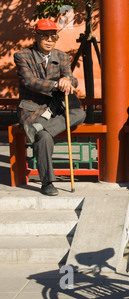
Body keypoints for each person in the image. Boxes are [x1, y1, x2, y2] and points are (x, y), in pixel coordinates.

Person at [14, 19, 86, 196]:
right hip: (33, 109)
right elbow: (30, 82)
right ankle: (47, 182)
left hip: (55, 109)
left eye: (53, 36)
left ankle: (39, 128)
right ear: (36, 36)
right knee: (44, 138)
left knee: (79, 114)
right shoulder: (23, 55)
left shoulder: (62, 56)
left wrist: (68, 80)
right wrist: (56, 84)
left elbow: (73, 79)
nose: (49, 40)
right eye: (44, 36)